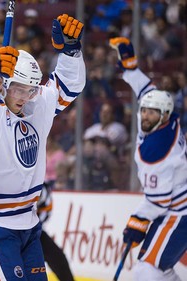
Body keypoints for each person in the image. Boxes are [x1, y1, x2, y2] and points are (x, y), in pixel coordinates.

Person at [0, 13, 85, 281]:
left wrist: (71, 52)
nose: (26, 97)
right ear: (4, 84)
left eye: (32, 89)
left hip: (28, 223)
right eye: (19, 89)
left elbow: (69, 86)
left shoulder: (37, 104)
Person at [109, 37, 187, 280]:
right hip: (176, 205)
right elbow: (148, 92)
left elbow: (158, 202)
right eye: (144, 110)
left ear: (162, 115)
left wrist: (137, 222)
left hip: (178, 211)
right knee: (157, 270)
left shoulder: (157, 150)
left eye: (151, 112)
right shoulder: (168, 119)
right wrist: (131, 68)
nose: (145, 115)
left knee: (147, 269)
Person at [0, 183, 75, 281]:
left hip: (31, 231)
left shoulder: (41, 189)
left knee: (58, 258)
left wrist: (34, 223)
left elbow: (47, 209)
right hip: (5, 229)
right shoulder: (9, 184)